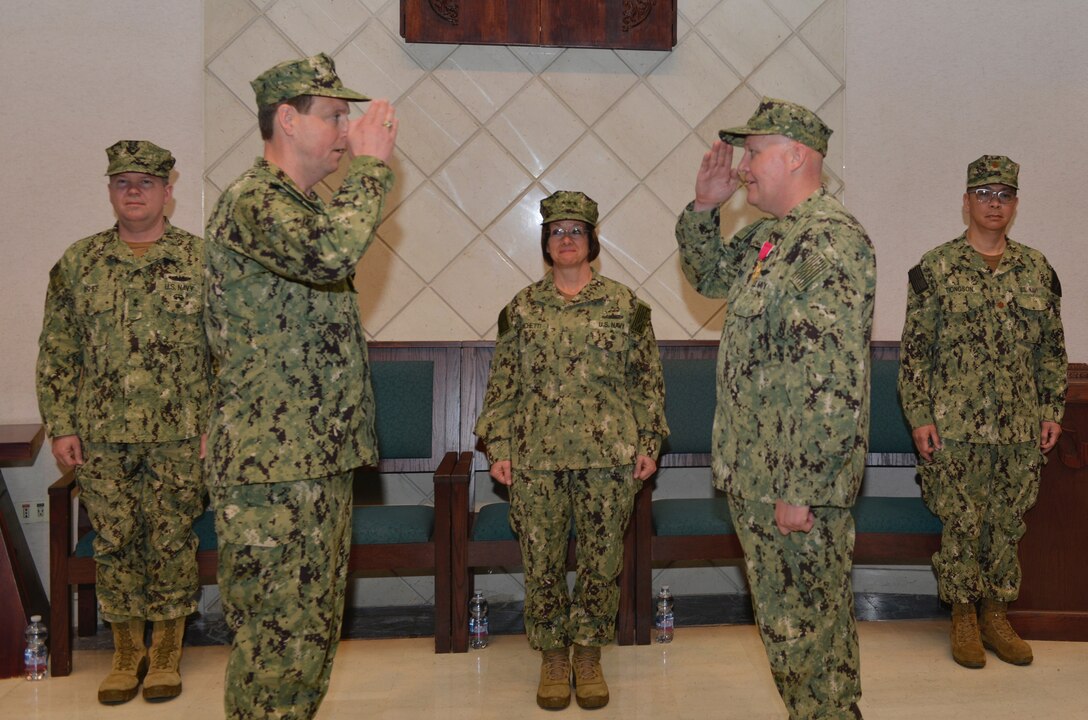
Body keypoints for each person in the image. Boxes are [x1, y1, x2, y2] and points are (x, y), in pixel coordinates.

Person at [203, 53, 397, 719]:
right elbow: (333, 253)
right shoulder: (254, 202)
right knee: (273, 645)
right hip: (269, 469)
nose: (347, 130)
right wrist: (372, 169)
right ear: (288, 120)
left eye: (348, 118)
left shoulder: (301, 205)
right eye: (334, 115)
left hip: (313, 460)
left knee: (309, 641)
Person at [674, 98, 876, 720]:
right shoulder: (772, 238)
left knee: (810, 637)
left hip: (791, 482)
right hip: (759, 473)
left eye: (755, 152)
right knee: (792, 636)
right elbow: (707, 275)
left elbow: (834, 381)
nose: (743, 166)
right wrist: (706, 207)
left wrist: (803, 488)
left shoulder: (831, 243)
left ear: (795, 156)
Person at [475, 190, 668, 710]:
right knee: (541, 561)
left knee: (603, 561)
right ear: (545, 241)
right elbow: (503, 386)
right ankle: (553, 654)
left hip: (609, 456)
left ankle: (588, 652)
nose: (566, 239)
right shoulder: (521, 308)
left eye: (575, 231)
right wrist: (498, 444)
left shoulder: (625, 306)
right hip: (536, 456)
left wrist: (648, 441)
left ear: (592, 241)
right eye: (556, 231)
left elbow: (647, 381)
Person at [36, 140, 209, 704]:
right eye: (122, 183)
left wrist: (218, 424)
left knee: (170, 540)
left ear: (167, 192)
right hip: (102, 432)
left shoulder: (201, 261)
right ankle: (125, 651)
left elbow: (230, 350)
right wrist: (61, 424)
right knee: (113, 542)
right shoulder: (79, 262)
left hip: (182, 432)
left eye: (146, 184)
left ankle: (165, 653)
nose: (133, 193)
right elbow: (58, 350)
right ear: (110, 190)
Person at [898, 155, 1066, 669]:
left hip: (1018, 425)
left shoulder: (1037, 269)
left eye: (1004, 195)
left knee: (1007, 522)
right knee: (962, 522)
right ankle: (964, 615)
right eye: (985, 194)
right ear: (966, 201)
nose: (995, 203)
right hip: (956, 426)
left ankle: (997, 613)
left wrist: (1052, 409)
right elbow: (915, 353)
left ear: (1015, 205)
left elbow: (1052, 350)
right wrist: (920, 417)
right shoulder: (935, 268)